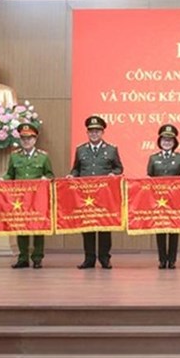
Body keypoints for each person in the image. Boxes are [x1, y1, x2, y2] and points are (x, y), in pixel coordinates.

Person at [69, 115, 123, 269]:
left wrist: (114, 174)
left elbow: (119, 168)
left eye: (97, 131)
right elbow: (76, 169)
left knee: (104, 226)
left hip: (105, 195)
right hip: (86, 196)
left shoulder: (111, 149)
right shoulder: (81, 150)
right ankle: (89, 258)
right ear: (87, 132)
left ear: (102, 132)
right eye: (91, 131)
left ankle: (105, 258)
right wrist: (71, 175)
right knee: (88, 226)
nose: (94, 134)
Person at [2, 123, 54, 269]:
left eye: (29, 138)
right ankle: (23, 257)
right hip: (20, 199)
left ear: (35, 139)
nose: (26, 141)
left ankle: (37, 258)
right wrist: (2, 180)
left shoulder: (43, 157)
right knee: (21, 227)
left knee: (38, 228)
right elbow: (10, 175)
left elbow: (50, 174)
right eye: (23, 138)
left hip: (37, 199)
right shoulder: (14, 156)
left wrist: (46, 178)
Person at [146, 124, 180, 269]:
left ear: (174, 142)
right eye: (164, 139)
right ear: (160, 141)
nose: (167, 142)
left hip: (175, 201)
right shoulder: (153, 158)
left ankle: (172, 260)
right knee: (160, 229)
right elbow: (149, 178)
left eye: (170, 140)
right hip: (159, 201)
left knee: (173, 230)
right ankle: (162, 259)